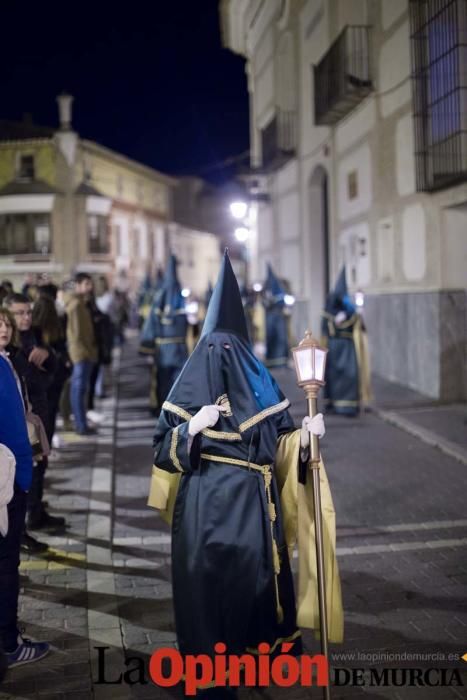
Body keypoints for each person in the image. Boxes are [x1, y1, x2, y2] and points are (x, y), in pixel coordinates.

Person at [148, 252, 343, 697]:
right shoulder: (185, 392)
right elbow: (162, 451)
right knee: (208, 589)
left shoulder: (263, 386)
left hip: (257, 510)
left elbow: (284, 445)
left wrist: (309, 437)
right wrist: (191, 428)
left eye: (230, 347)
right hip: (204, 510)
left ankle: (257, 662)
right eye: (215, 346)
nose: (223, 356)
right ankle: (211, 671)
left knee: (255, 586)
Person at [0, 306, 50, 669]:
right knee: (5, 565)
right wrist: (22, 478)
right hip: (6, 480)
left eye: (4, 323)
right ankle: (8, 643)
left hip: (11, 475)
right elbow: (12, 429)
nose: (3, 328)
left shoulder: (7, 363)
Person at [3, 293, 64, 538]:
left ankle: (36, 512)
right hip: (23, 422)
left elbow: (49, 375)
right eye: (19, 313)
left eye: (28, 312)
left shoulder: (32, 337)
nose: (26, 317)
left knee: (40, 463)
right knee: (26, 470)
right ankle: (28, 522)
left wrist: (48, 356)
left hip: (40, 413)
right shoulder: (11, 350)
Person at [321, 267, 372, 416]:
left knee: (349, 376)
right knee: (333, 376)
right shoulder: (329, 310)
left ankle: (348, 406)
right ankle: (334, 404)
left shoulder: (350, 310)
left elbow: (360, 327)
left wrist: (357, 314)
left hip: (347, 348)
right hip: (335, 347)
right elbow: (325, 328)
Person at [142, 255, 188, 412]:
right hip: (164, 350)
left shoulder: (180, 297)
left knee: (179, 381)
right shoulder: (160, 299)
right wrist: (148, 348)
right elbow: (152, 322)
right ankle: (162, 409)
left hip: (180, 349)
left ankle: (176, 410)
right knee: (163, 381)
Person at [66, 273, 98, 435]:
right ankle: (80, 425)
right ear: (77, 285)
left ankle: (82, 423)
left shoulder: (82, 303)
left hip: (85, 352)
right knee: (78, 390)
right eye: (86, 284)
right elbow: (75, 334)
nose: (89, 287)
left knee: (81, 390)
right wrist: (84, 353)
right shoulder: (75, 305)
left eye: (90, 284)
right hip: (81, 354)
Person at [262, 264, 291, 368]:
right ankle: (272, 360)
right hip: (270, 316)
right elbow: (264, 302)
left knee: (281, 337)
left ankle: (281, 359)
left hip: (279, 315)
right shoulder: (266, 287)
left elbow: (285, 300)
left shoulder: (281, 287)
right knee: (272, 337)